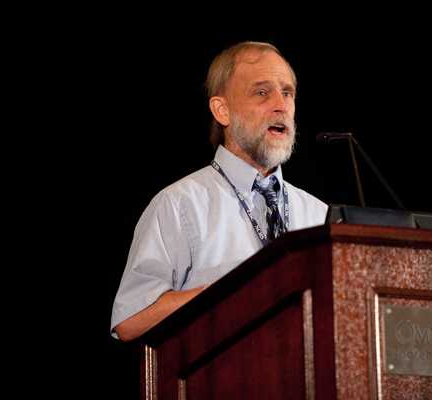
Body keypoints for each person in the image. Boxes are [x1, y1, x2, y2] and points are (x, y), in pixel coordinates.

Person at [111, 41, 328, 341]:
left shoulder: (319, 214)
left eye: (287, 92)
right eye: (262, 92)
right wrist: (232, 292)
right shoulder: (179, 204)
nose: (281, 105)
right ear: (222, 110)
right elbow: (132, 321)